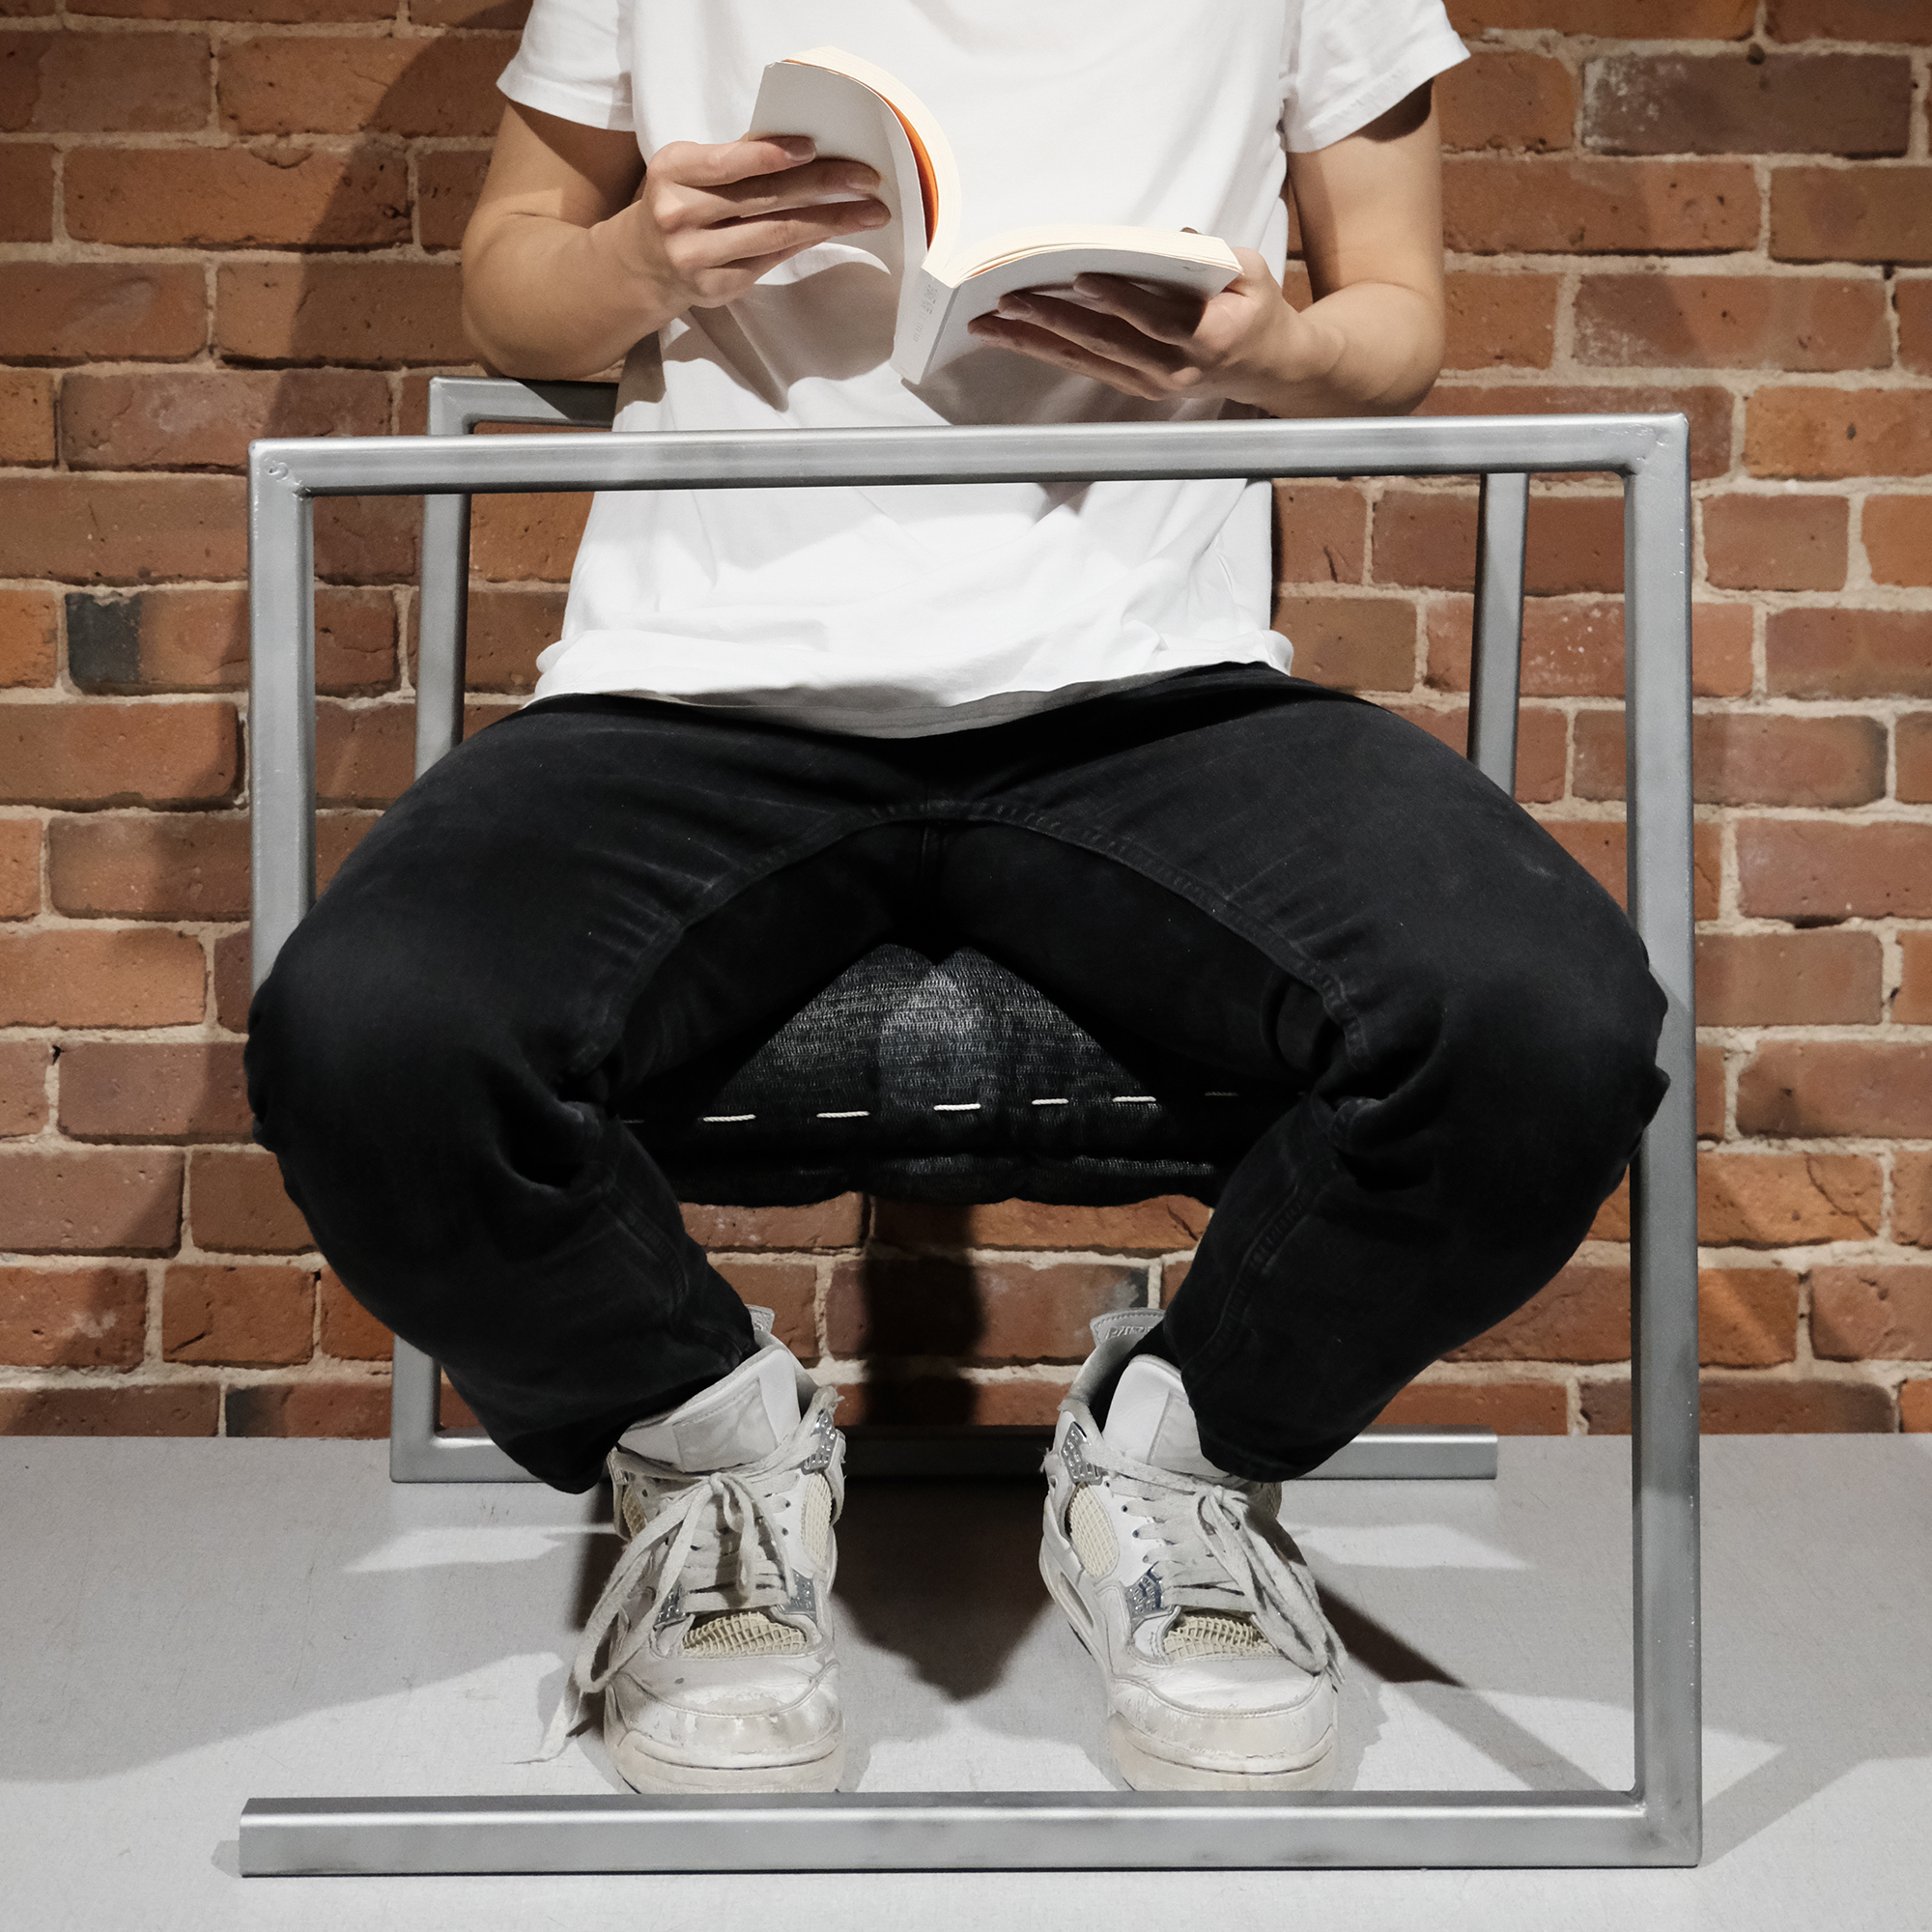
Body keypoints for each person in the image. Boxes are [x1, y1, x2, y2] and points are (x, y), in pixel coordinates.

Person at [245, 0, 1668, 1798]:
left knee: (1543, 1020)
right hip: (694, 690)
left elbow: (1397, 328)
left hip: (1147, 689)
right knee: (368, 1034)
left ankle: (1179, 1461)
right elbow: (508, 290)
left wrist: (1270, 350)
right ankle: (708, 1453)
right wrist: (630, 259)